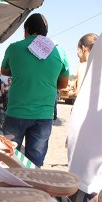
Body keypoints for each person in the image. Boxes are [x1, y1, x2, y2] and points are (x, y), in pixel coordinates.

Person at [1, 13, 69, 167]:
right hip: (43, 115)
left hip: (16, 112)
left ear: (27, 30)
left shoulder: (14, 48)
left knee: (8, 159)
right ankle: (32, 189)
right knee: (35, 163)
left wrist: (22, 73)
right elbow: (63, 83)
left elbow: (4, 71)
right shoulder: (60, 52)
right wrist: (45, 82)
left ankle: (9, 189)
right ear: (45, 32)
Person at [67, 33, 100, 202]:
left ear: (83, 48)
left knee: (79, 178)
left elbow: (80, 94)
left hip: (85, 121)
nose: (76, 53)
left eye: (77, 49)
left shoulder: (83, 65)